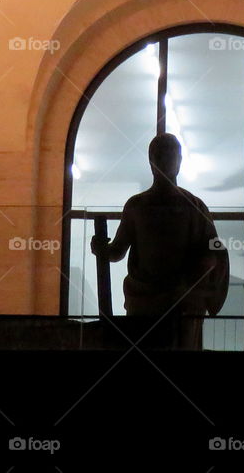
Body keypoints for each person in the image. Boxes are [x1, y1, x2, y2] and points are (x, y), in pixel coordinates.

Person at [91, 132, 228, 349]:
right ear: (152, 161)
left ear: (179, 161)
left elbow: (214, 249)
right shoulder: (137, 207)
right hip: (147, 301)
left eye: (171, 156)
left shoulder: (194, 207)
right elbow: (117, 250)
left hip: (180, 302)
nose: (167, 162)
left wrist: (203, 266)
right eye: (162, 156)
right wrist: (102, 250)